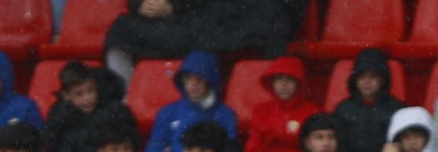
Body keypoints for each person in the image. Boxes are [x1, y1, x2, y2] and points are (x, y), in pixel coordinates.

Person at [104, 0, 297, 85]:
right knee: (121, 28)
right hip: (170, 23)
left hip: (207, 16)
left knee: (271, 15)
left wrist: (173, 6)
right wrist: (141, 5)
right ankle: (124, 94)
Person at [144, 51, 238, 152]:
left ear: (210, 80)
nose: (193, 84)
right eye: (188, 78)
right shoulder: (167, 112)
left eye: (199, 78)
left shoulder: (226, 115)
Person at [241, 56, 320, 152]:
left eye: (289, 79)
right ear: (272, 83)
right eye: (278, 79)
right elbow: (253, 145)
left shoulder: (313, 112)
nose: (283, 85)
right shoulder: (261, 110)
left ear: (299, 83)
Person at [45, 62, 131, 152]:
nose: (87, 98)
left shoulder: (113, 112)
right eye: (79, 94)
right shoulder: (58, 114)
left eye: (90, 90)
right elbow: (49, 142)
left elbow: (120, 150)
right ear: (66, 96)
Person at [332, 47, 404, 152]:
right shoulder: (343, 109)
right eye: (362, 76)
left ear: (383, 79)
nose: (367, 81)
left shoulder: (398, 110)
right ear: (354, 79)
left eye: (373, 76)